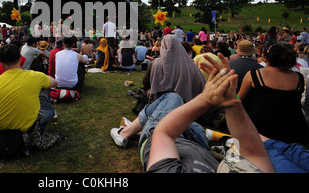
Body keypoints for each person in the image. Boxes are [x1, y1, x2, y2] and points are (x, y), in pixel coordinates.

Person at [111, 58, 275, 173]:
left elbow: (163, 133)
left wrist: (205, 99)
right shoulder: (188, 65)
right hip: (196, 143)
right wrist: (231, 100)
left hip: (159, 139)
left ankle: (125, 132)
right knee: (191, 123)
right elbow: (254, 154)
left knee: (173, 98)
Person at [0, 44, 61, 155]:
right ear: (20, 58)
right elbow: (55, 82)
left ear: (0, 63)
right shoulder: (35, 76)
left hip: (0, 138)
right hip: (29, 135)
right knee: (44, 90)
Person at [238, 42, 309, 146]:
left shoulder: (255, 74)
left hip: (263, 133)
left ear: (265, 58)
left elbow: (238, 98)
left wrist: (230, 98)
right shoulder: (298, 78)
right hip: (295, 132)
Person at [143, 35, 206, 104]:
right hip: (186, 106)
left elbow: (146, 85)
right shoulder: (189, 65)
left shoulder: (155, 63)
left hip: (160, 104)